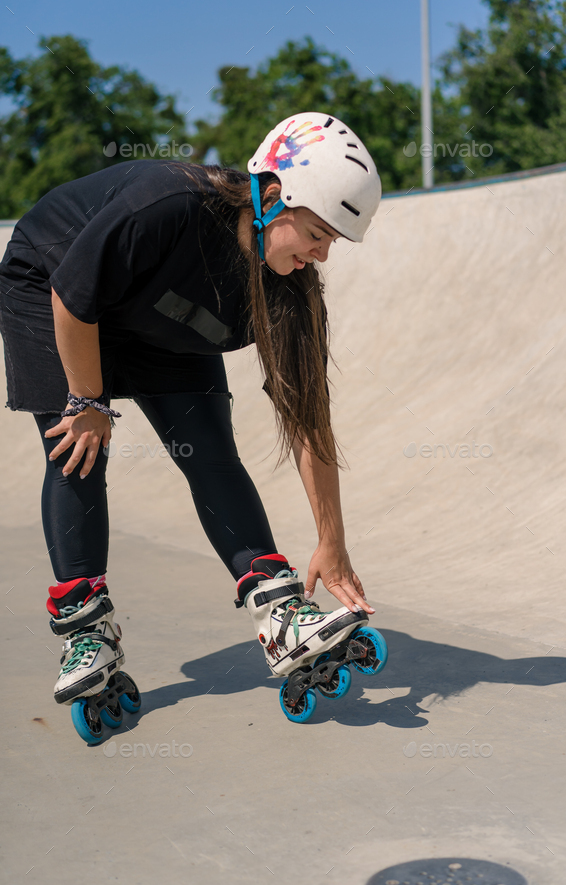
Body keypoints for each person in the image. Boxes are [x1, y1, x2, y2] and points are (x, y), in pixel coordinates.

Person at [0, 112, 383, 734]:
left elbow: (310, 419)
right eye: (317, 233)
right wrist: (87, 402)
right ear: (271, 198)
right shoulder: (169, 204)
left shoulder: (289, 287)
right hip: (51, 282)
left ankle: (277, 607)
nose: (321, 254)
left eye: (334, 241)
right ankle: (85, 630)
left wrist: (332, 544)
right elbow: (73, 295)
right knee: (77, 449)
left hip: (162, 320)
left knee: (210, 455)